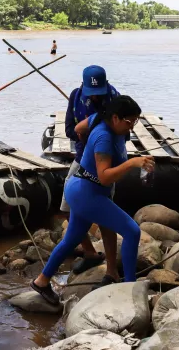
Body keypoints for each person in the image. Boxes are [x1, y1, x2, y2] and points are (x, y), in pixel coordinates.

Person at [32, 96, 153, 305]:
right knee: (132, 231)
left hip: (82, 188)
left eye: (135, 122)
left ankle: (41, 281)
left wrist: (88, 148)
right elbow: (105, 175)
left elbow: (80, 127)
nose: (131, 127)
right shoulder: (104, 138)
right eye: (129, 122)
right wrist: (132, 162)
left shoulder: (100, 118)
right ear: (115, 117)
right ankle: (130, 289)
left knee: (71, 240)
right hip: (88, 193)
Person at [62, 65, 122, 284]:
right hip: (82, 159)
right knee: (68, 207)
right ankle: (89, 253)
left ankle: (112, 270)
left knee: (106, 217)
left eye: (99, 95)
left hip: (106, 162)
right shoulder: (76, 97)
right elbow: (69, 129)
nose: (95, 98)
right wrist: (86, 129)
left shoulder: (116, 100)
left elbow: (124, 133)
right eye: (92, 95)